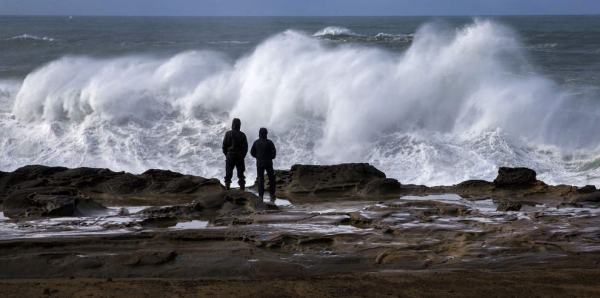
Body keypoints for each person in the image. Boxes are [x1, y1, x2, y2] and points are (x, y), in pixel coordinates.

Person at [250, 127, 277, 201]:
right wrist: (270, 157)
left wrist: (257, 157)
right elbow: (273, 154)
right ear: (266, 134)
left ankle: (261, 196)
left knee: (260, 179)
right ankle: (272, 194)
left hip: (259, 163)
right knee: (271, 179)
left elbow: (252, 152)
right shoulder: (269, 142)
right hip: (268, 163)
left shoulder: (256, 142)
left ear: (259, 134)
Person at [222, 118, 248, 190]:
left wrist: (227, 155)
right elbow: (245, 148)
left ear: (232, 124)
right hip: (239, 157)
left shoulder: (228, 133)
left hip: (230, 156)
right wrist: (242, 156)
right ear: (239, 125)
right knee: (241, 175)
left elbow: (224, 146)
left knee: (228, 174)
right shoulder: (242, 135)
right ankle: (242, 190)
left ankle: (227, 189)